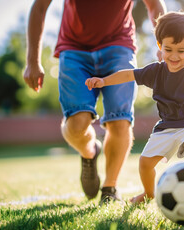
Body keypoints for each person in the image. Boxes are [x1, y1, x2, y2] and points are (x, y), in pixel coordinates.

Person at [85, 11, 184, 204]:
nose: (174, 56)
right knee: (144, 163)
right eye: (168, 50)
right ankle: (149, 194)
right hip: (166, 126)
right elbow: (128, 75)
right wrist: (103, 81)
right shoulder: (156, 71)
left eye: (181, 50)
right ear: (160, 45)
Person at [23, 0, 167, 204]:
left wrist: (163, 45)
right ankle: (89, 151)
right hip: (73, 50)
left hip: (119, 46)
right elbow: (39, 7)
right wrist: (32, 61)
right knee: (76, 124)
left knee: (120, 119)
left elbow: (154, 5)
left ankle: (110, 188)